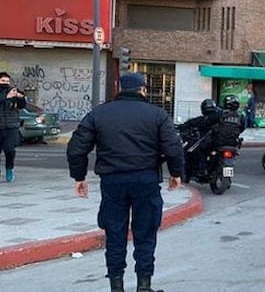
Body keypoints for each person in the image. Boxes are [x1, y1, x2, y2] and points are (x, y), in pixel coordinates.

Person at [66, 72, 184, 292]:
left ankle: (116, 285)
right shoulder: (157, 114)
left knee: (114, 233)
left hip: (112, 181)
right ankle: (144, 285)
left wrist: (79, 177)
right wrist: (176, 174)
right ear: (142, 89)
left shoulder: (99, 113)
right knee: (146, 233)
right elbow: (173, 148)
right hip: (146, 179)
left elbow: (76, 148)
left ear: (119, 88)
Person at [0, 72, 25, 182]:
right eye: (2, 81)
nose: (5, 83)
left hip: (11, 126)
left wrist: (20, 97)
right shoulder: (5, 94)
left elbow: (21, 106)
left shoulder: (12, 91)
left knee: (10, 150)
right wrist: (6, 97)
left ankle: (9, 169)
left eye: (7, 81)